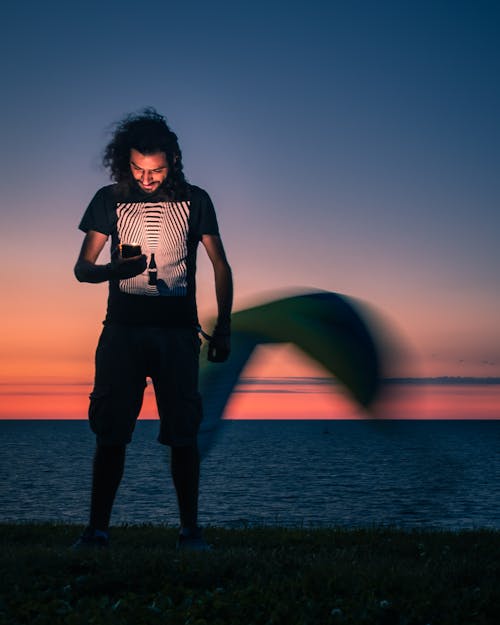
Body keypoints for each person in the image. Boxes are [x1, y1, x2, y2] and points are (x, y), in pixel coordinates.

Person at [73, 108, 233, 550]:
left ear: (174, 160)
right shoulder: (108, 199)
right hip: (122, 332)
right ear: (125, 161)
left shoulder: (197, 200)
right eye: (138, 169)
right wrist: (113, 270)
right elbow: (82, 269)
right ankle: (96, 531)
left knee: (183, 432)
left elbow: (221, 264)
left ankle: (190, 532)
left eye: (156, 169)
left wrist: (224, 329)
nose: (147, 178)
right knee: (110, 433)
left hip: (178, 334)